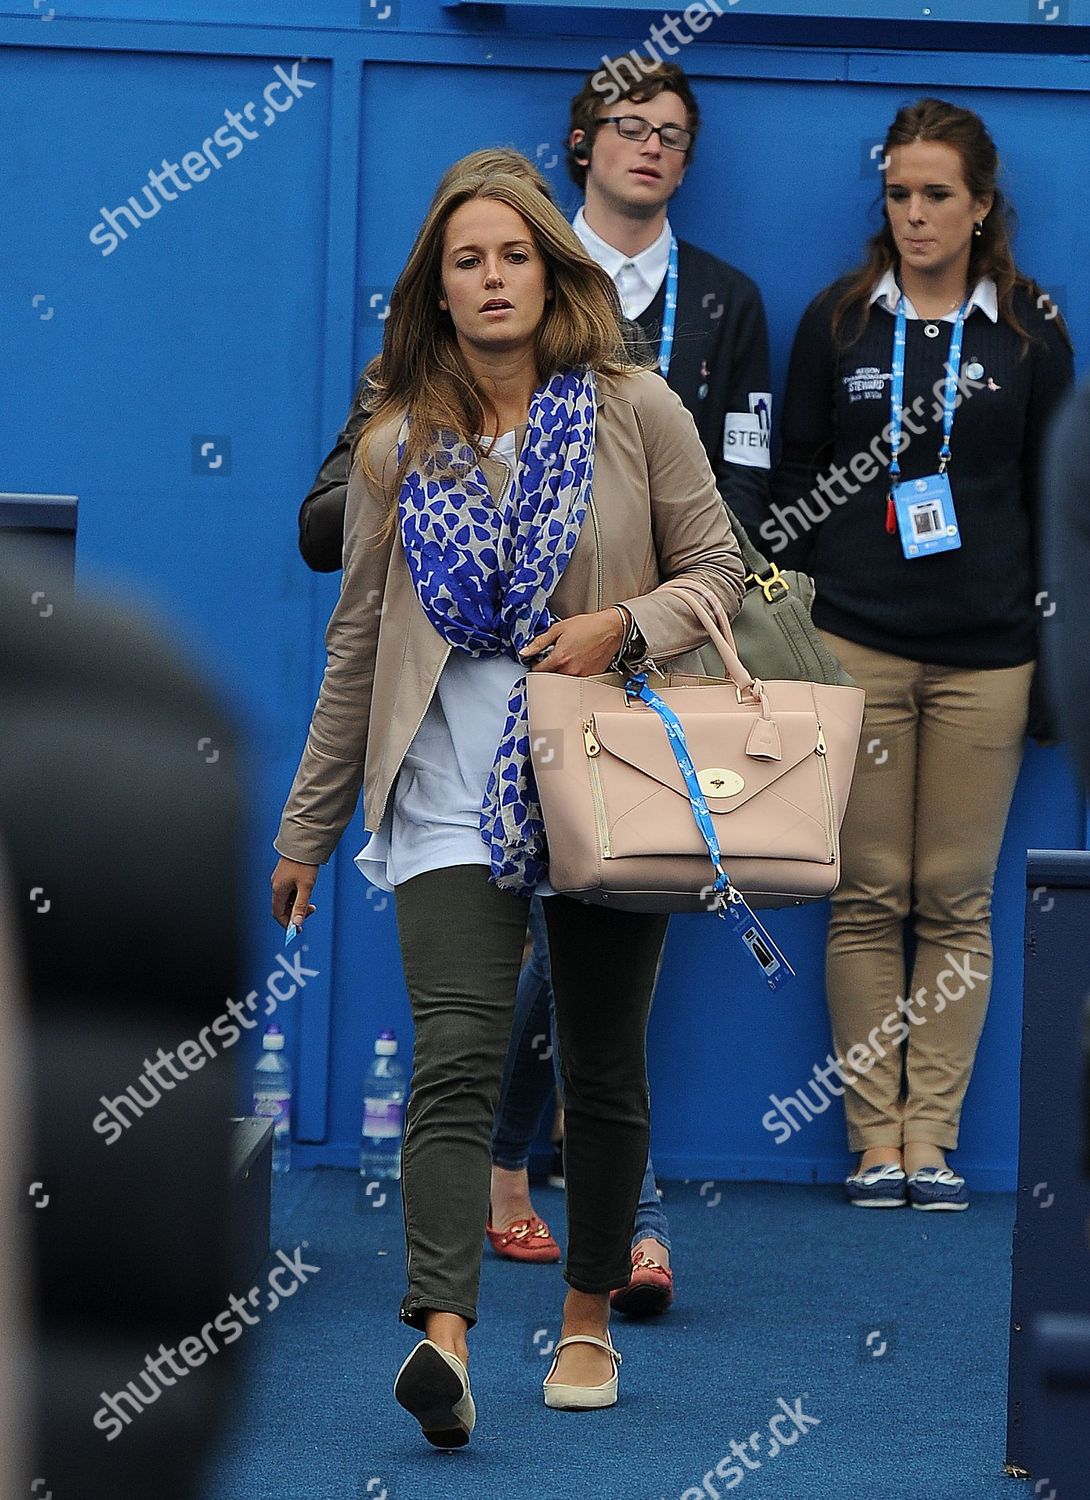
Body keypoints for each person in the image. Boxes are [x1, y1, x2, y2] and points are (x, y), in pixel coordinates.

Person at [270, 161, 744, 1443]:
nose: (491, 279)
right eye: (465, 261)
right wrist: (309, 826)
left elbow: (721, 571)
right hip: (438, 790)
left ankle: (586, 1321)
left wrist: (620, 627)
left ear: (552, 271)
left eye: (512, 256)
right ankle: (445, 1341)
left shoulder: (637, 410)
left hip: (607, 776)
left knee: (599, 1066)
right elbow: (357, 648)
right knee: (456, 1060)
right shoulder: (392, 446)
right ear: (436, 289)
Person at [492, 58, 777, 1311]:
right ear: (579, 145)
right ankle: (529, 1176)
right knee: (546, 932)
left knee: (613, 916)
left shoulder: (724, 302)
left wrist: (660, 619)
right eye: (627, 128)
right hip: (520, 659)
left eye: (671, 134)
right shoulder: (531, 288)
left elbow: (751, 490)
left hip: (658, 653)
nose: (649, 149)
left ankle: (584, 1199)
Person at [760, 98, 1073, 1211]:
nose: (915, 214)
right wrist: (788, 628)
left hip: (989, 658)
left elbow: (1055, 498)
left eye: (938, 195)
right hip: (855, 646)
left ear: (982, 206)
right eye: (897, 194)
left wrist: (1055, 652)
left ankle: (928, 1142)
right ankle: (870, 1142)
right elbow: (792, 483)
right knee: (864, 891)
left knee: (952, 895)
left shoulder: (1028, 326)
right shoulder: (839, 321)